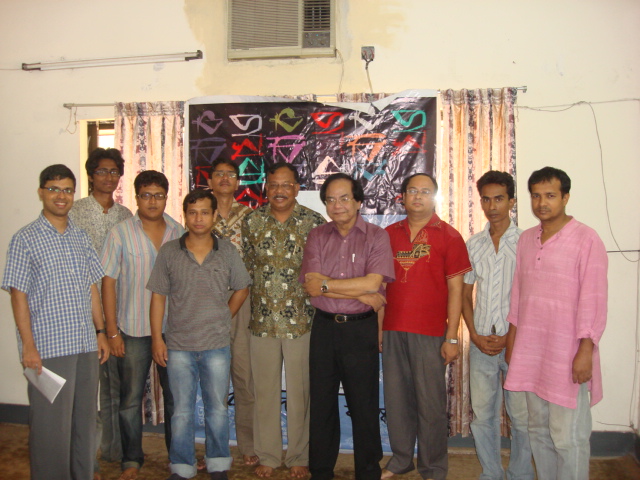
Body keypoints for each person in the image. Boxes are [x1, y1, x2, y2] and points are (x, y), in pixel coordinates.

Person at [2, 164, 109, 479]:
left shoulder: (80, 237)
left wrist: (101, 332)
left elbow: (92, 287)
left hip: (85, 345)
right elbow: (18, 295)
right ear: (41, 193)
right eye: (53, 189)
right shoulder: (25, 239)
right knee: (51, 428)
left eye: (67, 190)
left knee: (85, 423)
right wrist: (28, 346)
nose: (61, 196)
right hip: (48, 348)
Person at [505, 167, 608, 480]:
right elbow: (518, 295)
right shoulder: (526, 240)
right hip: (531, 353)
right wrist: (513, 342)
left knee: (568, 437)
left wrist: (585, 350)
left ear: (565, 197)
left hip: (567, 352)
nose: (541, 203)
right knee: (538, 430)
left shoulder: (586, 239)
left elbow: (594, 298)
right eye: (536, 196)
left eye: (550, 195)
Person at [148, 189, 251, 480]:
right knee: (181, 411)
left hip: (216, 345)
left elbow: (242, 287)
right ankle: (182, 466)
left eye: (205, 212)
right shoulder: (169, 252)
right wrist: (157, 339)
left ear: (214, 215)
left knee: (217, 408)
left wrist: (224, 315)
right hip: (178, 345)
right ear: (185, 216)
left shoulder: (227, 251)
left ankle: (218, 463)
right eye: (192, 212)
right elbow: (158, 297)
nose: (199, 218)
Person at [301, 172, 394, 480]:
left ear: (358, 202)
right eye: (330, 199)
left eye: (344, 198)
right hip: (324, 329)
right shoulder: (317, 236)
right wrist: (361, 293)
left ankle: (368, 472)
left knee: (364, 404)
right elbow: (311, 286)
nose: (337, 205)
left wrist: (329, 285)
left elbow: (372, 282)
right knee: (322, 403)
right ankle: (320, 471)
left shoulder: (377, 236)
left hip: (360, 329)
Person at [380, 173, 471, 480]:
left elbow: (457, 291)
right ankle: (401, 459)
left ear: (434, 197)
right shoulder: (388, 234)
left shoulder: (449, 236)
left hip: (431, 333)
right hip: (393, 329)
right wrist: (379, 329)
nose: (418, 196)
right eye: (412, 191)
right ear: (402, 197)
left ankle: (433, 467)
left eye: (425, 191)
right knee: (396, 401)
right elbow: (380, 287)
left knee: (430, 405)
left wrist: (452, 337)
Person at [242, 162, 326, 478]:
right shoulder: (251, 221)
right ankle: (268, 455)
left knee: (301, 393)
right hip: (262, 320)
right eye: (274, 184)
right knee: (264, 393)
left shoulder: (314, 222)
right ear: (266, 187)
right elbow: (247, 268)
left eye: (286, 185)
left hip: (302, 321)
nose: (279, 190)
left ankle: (299, 456)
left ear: (296, 188)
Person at [101, 170, 183, 480]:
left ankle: (178, 457)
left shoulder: (178, 232)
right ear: (136, 198)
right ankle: (131, 459)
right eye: (146, 195)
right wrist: (112, 331)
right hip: (132, 329)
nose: (152, 201)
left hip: (172, 330)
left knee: (176, 399)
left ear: (166, 198)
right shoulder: (120, 233)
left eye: (158, 195)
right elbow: (108, 283)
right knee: (130, 400)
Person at [461, 171, 533, 480]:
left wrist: (510, 337)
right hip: (481, 345)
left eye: (499, 199)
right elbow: (464, 293)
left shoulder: (528, 242)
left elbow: (532, 297)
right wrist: (474, 335)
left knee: (522, 418)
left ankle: (520, 474)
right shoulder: (473, 244)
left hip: (518, 343)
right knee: (483, 416)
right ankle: (491, 473)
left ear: (512, 202)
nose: (492, 207)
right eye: (486, 200)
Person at [68, 147, 133, 474]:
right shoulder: (75, 211)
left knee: (115, 386)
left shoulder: (126, 215)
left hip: (117, 311)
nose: (108, 177)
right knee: (84, 388)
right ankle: (83, 454)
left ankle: (112, 449)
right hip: (81, 311)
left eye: (114, 171)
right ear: (91, 175)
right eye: (102, 171)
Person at [207, 158, 258, 466]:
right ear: (209, 181)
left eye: (230, 174)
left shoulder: (250, 216)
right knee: (212, 380)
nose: (225, 178)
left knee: (244, 375)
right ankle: (215, 447)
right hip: (207, 301)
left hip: (243, 299)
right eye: (219, 174)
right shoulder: (200, 213)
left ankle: (248, 445)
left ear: (238, 182)